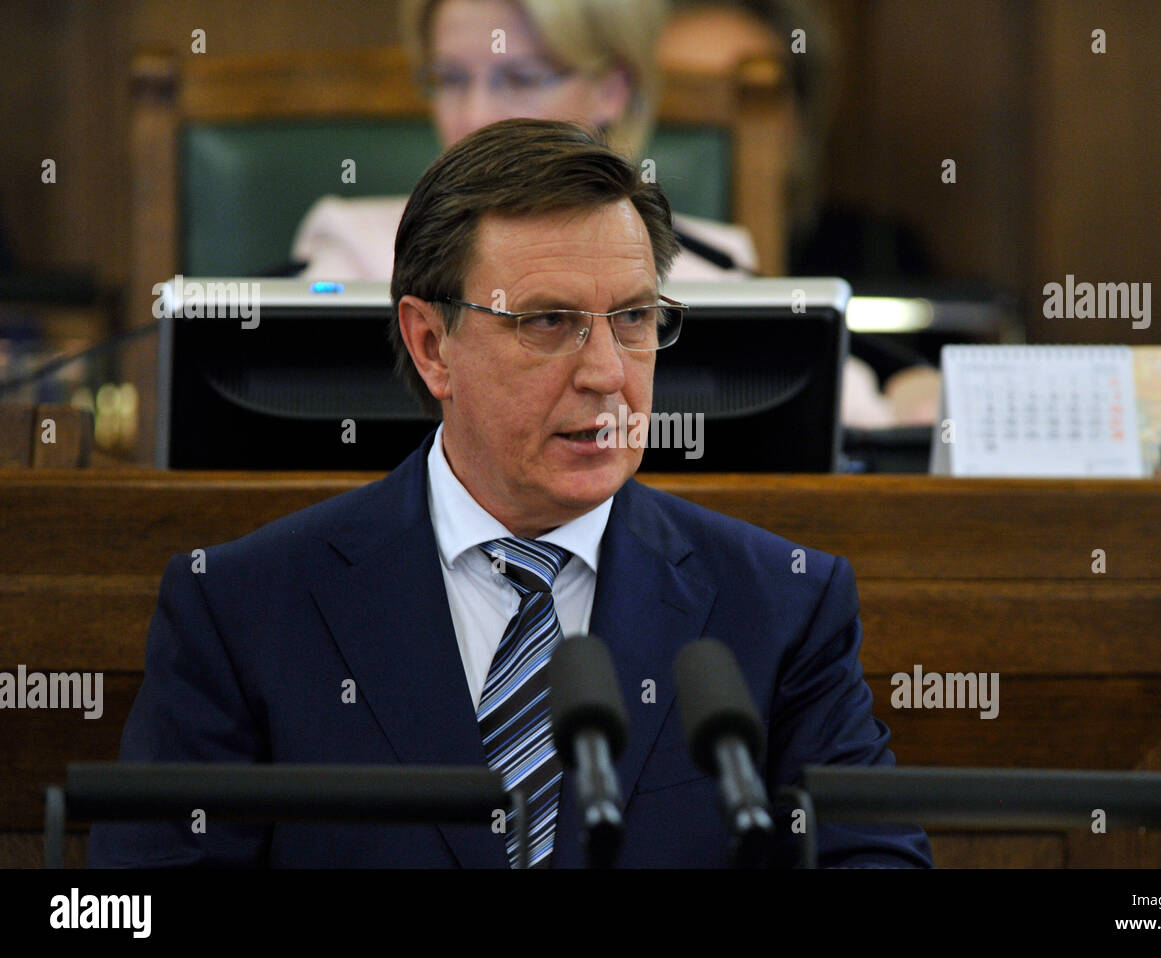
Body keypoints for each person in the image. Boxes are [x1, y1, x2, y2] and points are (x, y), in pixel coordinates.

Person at [88, 118, 932, 868]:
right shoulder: (241, 610)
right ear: (431, 345)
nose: (607, 374)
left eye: (635, 319)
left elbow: (874, 859)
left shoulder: (783, 606)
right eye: (546, 322)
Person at [292, 0, 757, 282]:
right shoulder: (353, 250)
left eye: (520, 78)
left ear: (612, 89)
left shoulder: (716, 272)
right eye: (451, 79)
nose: (475, 117)